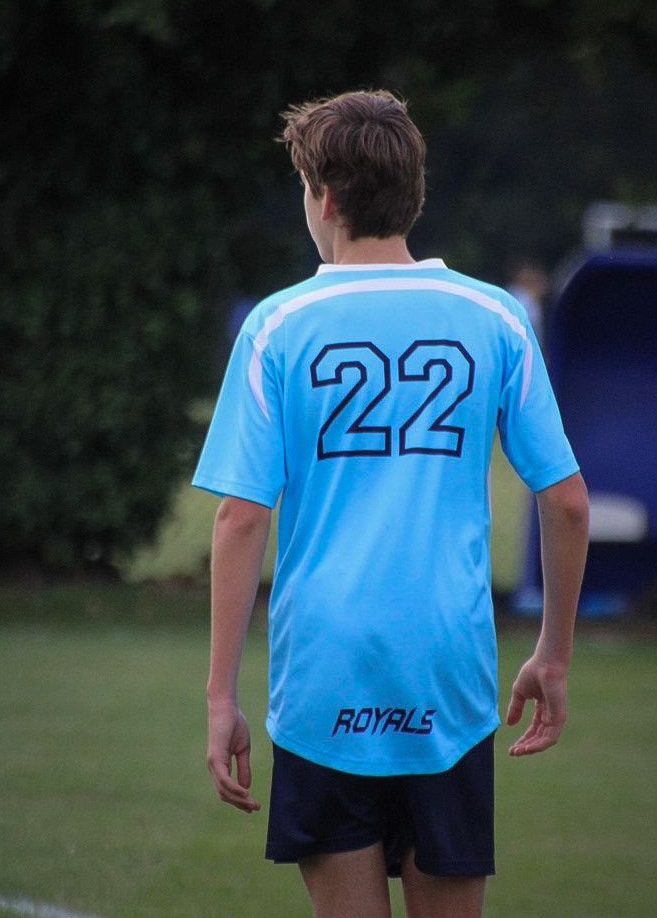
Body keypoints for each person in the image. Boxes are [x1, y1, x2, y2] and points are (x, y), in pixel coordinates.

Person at [193, 90, 589, 918]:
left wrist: (221, 696)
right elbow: (567, 504)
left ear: (324, 199)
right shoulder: (496, 316)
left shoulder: (277, 325)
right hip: (448, 671)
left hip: (324, 674)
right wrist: (551, 656)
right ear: (413, 192)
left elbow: (241, 517)